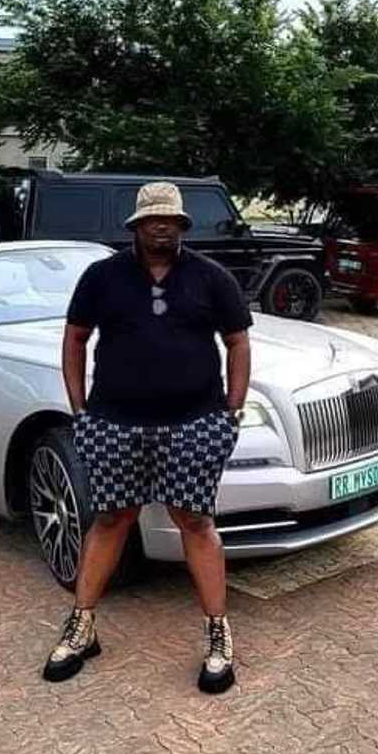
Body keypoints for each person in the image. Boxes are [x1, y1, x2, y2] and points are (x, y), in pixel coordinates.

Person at [43, 181, 252, 693]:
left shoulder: (211, 278)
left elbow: (238, 342)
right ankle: (83, 624)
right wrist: (80, 409)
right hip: (114, 422)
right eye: (152, 220)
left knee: (196, 522)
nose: (163, 227)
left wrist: (232, 412)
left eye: (172, 221)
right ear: (136, 227)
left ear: (182, 226)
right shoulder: (102, 277)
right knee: (112, 518)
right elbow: (74, 339)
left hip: (194, 422)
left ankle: (218, 634)